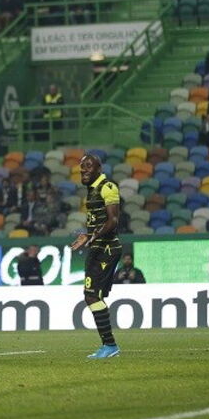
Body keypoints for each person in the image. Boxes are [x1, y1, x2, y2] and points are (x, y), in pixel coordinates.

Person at [70, 154, 122, 359]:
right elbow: (98, 221)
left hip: (106, 248)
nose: (84, 171)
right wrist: (87, 235)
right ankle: (109, 345)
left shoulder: (107, 187)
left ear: (99, 168)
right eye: (82, 168)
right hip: (98, 247)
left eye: (88, 167)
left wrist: (92, 236)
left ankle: (110, 345)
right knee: (93, 296)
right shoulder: (92, 191)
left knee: (91, 296)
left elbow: (113, 221)